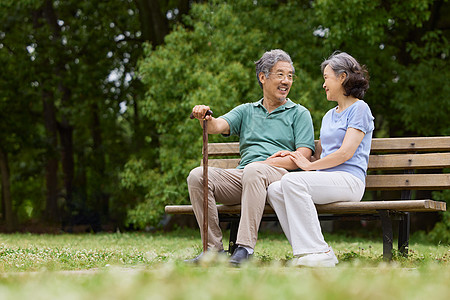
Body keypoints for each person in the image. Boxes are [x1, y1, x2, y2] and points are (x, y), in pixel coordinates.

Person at [187, 49, 315, 265]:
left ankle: (244, 248)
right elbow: (216, 126)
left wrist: (265, 163)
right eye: (280, 74)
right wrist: (204, 116)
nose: (286, 81)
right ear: (263, 77)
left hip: (279, 178)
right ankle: (213, 250)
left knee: (254, 170)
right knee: (197, 176)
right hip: (246, 177)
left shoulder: (299, 113)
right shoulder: (247, 111)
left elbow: (302, 157)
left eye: (290, 75)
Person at [267, 51, 374, 267]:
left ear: (342, 77)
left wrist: (310, 166)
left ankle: (321, 251)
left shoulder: (359, 109)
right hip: (326, 181)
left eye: (326, 77)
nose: (323, 84)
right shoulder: (328, 115)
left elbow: (345, 153)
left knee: (291, 181)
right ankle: (306, 253)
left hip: (349, 181)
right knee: (275, 189)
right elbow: (322, 155)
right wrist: (296, 157)